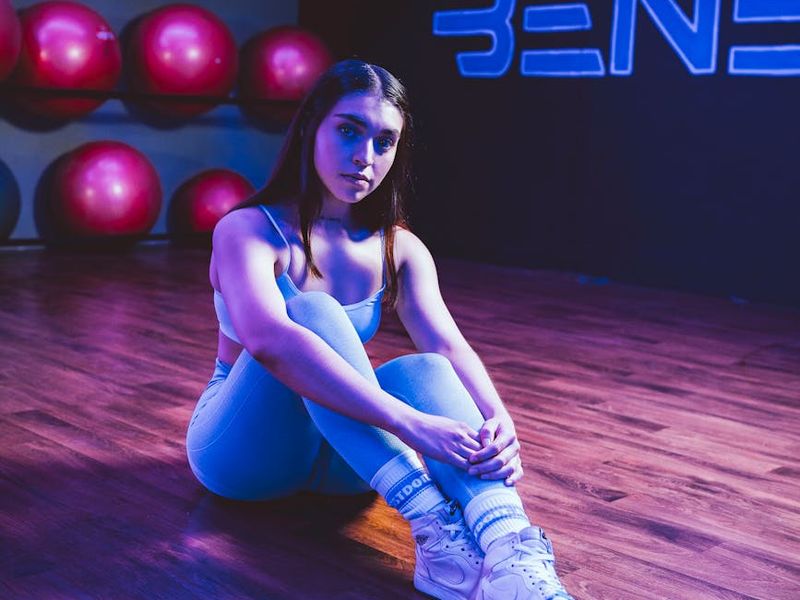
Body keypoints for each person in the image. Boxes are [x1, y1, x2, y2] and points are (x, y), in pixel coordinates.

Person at [185, 59, 574, 600]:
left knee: (428, 368)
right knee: (313, 314)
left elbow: (446, 343)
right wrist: (408, 423)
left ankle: (508, 547)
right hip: (246, 453)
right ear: (309, 129)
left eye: (385, 141)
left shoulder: (400, 247)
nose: (365, 157)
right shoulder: (248, 230)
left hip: (348, 460)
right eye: (348, 130)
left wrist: (497, 417)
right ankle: (430, 515)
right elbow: (271, 343)